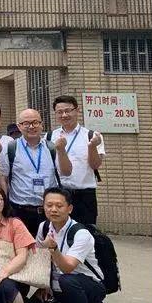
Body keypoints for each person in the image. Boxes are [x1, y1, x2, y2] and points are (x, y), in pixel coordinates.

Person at [27, 187, 106, 303]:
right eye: (49, 205)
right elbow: (39, 259)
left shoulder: (80, 233)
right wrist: (44, 284)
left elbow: (68, 267)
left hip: (88, 285)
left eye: (59, 205)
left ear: (69, 208)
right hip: (57, 287)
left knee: (68, 280)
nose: (53, 209)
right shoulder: (44, 227)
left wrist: (53, 249)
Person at [0, 109, 73, 235]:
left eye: (35, 122)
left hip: (49, 211)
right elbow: (3, 178)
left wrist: (61, 150)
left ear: (41, 125)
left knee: (48, 246)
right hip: (19, 211)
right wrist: (5, 205)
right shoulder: (10, 148)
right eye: (26, 123)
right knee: (21, 246)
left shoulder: (52, 147)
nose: (31, 126)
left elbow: (66, 172)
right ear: (19, 126)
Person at [49, 96, 105, 225]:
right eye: (59, 112)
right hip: (58, 194)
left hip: (84, 195)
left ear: (77, 110)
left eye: (68, 110)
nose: (64, 115)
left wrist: (92, 147)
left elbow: (95, 165)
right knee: (58, 231)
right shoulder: (50, 137)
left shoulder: (91, 136)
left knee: (86, 231)